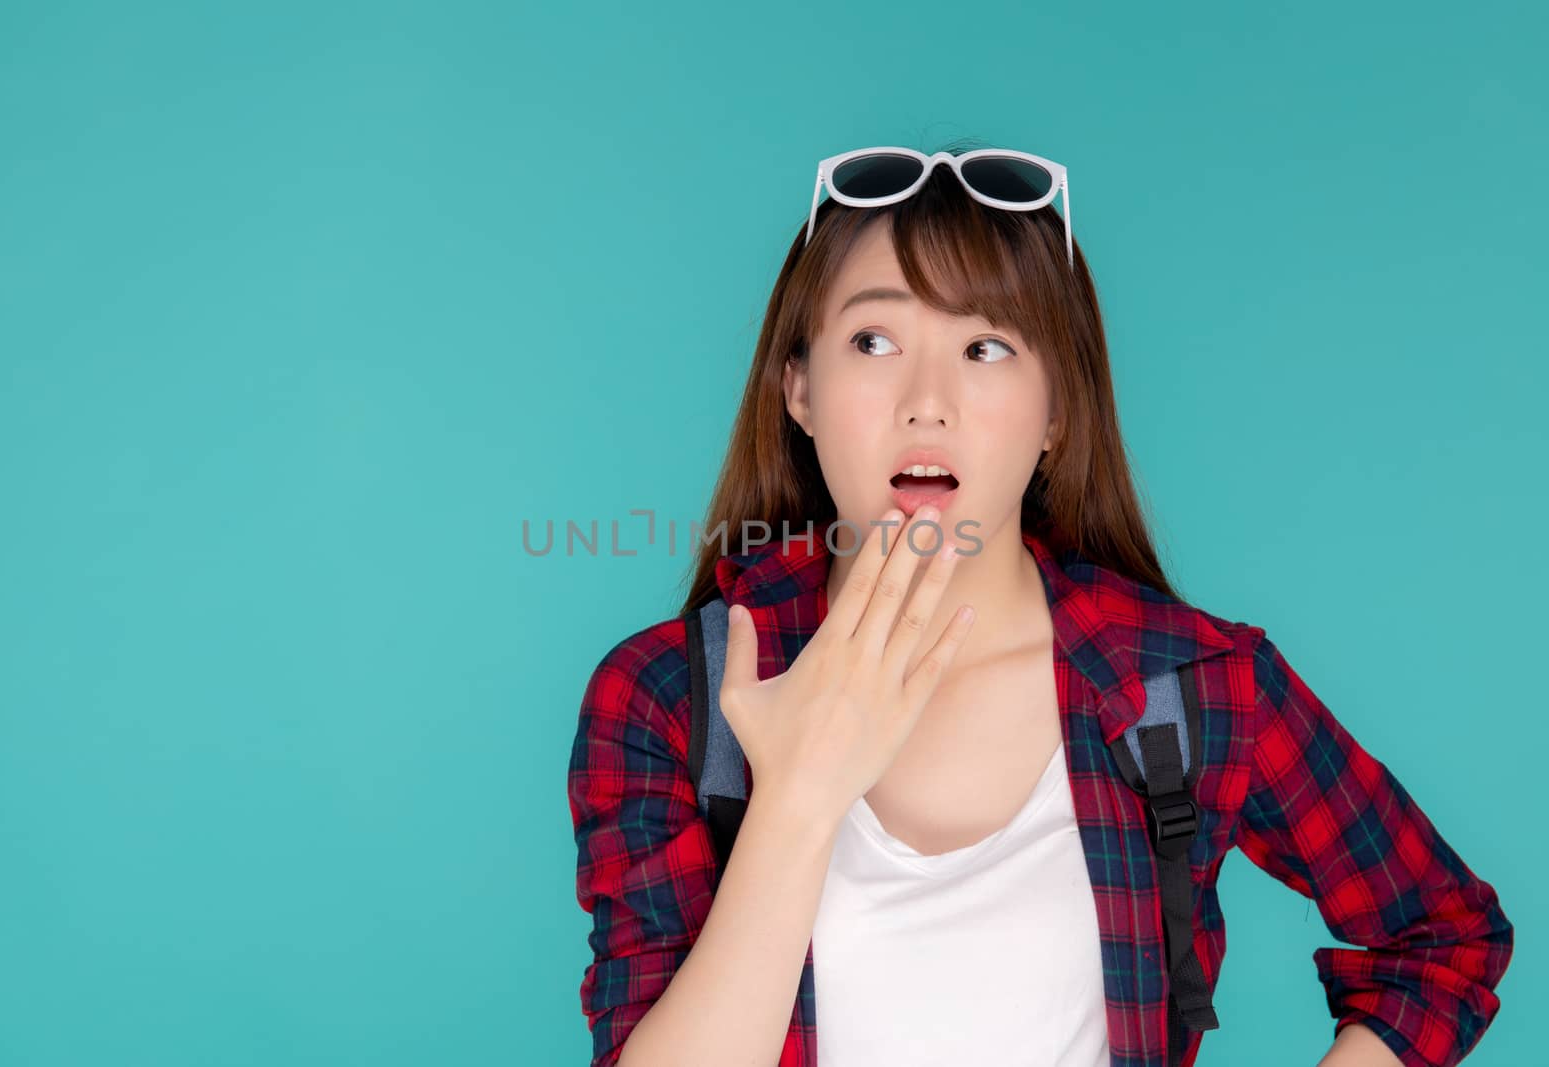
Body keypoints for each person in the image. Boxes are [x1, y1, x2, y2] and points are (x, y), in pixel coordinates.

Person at [566, 138, 1514, 1067]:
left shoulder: (1185, 682)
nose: (926, 400)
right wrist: (801, 797)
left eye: (984, 345)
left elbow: (1442, 937)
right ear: (799, 389)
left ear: (1057, 412)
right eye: (874, 339)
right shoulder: (670, 694)